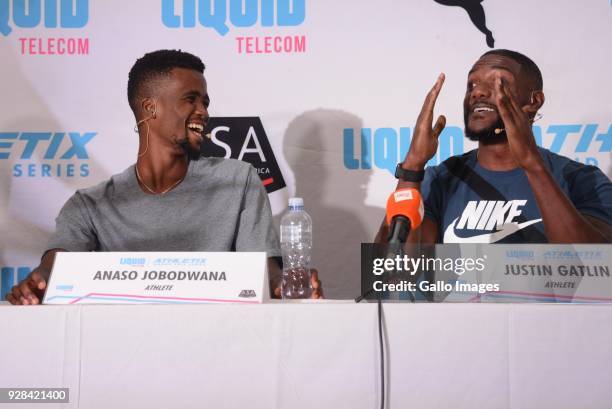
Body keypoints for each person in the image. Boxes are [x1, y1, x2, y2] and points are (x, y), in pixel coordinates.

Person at [7, 49, 321, 305]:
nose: (204, 111)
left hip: (222, 343)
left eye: (205, 102)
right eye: (191, 99)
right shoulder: (89, 204)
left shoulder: (238, 180)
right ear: (150, 108)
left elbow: (265, 271)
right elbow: (55, 267)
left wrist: (285, 282)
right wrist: (37, 284)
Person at [378, 49, 612, 244]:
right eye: (472, 84)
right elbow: (393, 275)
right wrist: (412, 167)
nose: (477, 92)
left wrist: (532, 166)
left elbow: (591, 270)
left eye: (498, 82)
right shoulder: (438, 179)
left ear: (534, 101)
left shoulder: (582, 180)